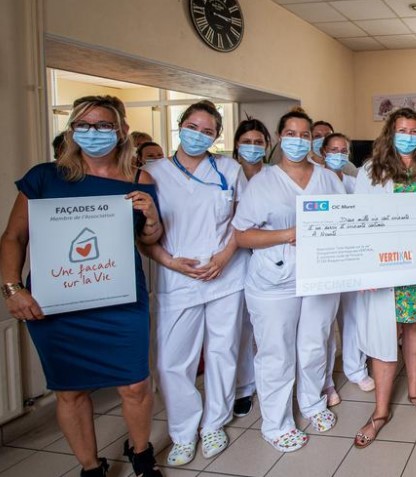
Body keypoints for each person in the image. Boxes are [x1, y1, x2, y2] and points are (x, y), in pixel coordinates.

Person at [0, 95, 164, 477]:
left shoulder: (141, 179)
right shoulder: (45, 177)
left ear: (121, 130)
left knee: (135, 385)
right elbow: (12, 237)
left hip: (120, 300)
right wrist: (12, 288)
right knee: (70, 390)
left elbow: (150, 240)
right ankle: (90, 467)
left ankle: (141, 455)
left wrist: (152, 214)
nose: (94, 133)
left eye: (104, 125)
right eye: (85, 125)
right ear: (72, 130)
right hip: (58, 302)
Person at [142, 100, 248, 466]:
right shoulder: (151, 172)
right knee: (174, 360)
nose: (198, 135)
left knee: (223, 351)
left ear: (217, 135)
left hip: (226, 274)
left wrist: (222, 258)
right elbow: (142, 234)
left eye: (207, 131)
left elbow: (242, 221)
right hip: (176, 277)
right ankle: (183, 432)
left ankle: (215, 423)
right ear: (179, 125)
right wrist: (172, 262)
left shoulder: (230, 169)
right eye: (192, 127)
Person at [233, 109, 343, 453]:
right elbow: (242, 236)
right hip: (274, 280)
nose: (298, 140)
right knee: (276, 353)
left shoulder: (328, 178)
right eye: (291, 134)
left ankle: (312, 403)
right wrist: (287, 234)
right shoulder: (262, 182)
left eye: (305, 134)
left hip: (320, 276)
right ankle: (276, 423)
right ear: (280, 138)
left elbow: (347, 223)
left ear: (314, 140)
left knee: (314, 344)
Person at [353, 108, 416, 448]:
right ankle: (380, 412)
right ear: (390, 133)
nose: (408, 135)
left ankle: (415, 392)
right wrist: (365, 266)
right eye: (402, 130)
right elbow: (359, 220)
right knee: (385, 332)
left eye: (413, 130)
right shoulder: (370, 171)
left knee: (415, 326)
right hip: (385, 267)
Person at [318, 133, 374, 407]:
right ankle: (325, 382)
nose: (338, 155)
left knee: (353, 318)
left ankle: (356, 369)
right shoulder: (314, 182)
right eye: (333, 150)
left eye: (344, 150)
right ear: (322, 151)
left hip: (352, 260)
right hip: (324, 263)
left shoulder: (354, 182)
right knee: (324, 326)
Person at [230, 117, 272, 417]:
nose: (253, 147)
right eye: (247, 142)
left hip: (269, 257)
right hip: (232, 258)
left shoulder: (274, 176)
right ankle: (244, 387)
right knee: (240, 328)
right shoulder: (226, 174)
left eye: (259, 142)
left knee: (269, 329)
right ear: (236, 144)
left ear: (268, 146)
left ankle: (270, 382)